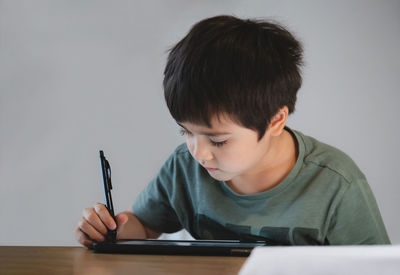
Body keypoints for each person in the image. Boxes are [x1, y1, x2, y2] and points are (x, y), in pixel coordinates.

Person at [75, 15, 390, 247]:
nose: (198, 152)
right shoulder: (183, 168)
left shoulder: (337, 185)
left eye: (218, 139)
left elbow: (374, 268)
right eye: (185, 132)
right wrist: (108, 231)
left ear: (275, 121)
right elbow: (143, 227)